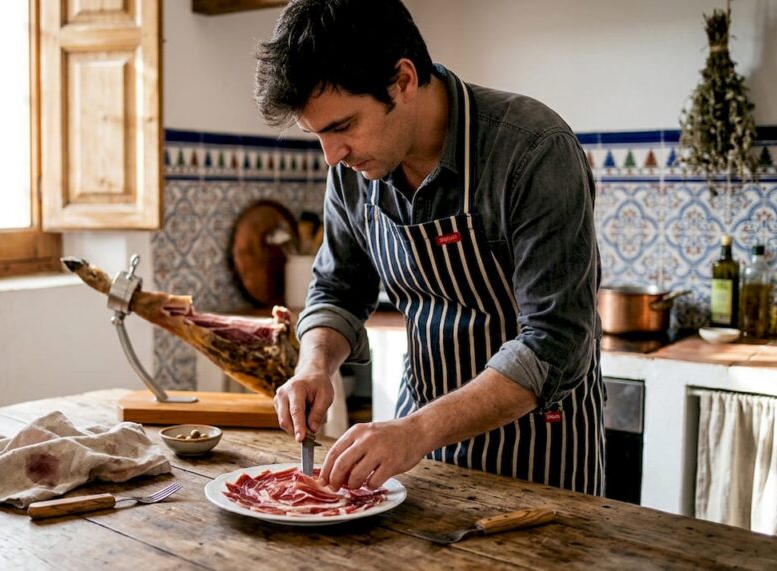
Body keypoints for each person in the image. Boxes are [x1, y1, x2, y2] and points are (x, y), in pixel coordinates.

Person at [256, 0, 605, 496]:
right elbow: (338, 289)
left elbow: (553, 343)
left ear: (402, 80)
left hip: (540, 458)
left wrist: (417, 431)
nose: (332, 156)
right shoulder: (355, 170)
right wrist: (313, 364)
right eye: (317, 135)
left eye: (342, 127)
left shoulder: (533, 150)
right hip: (418, 458)